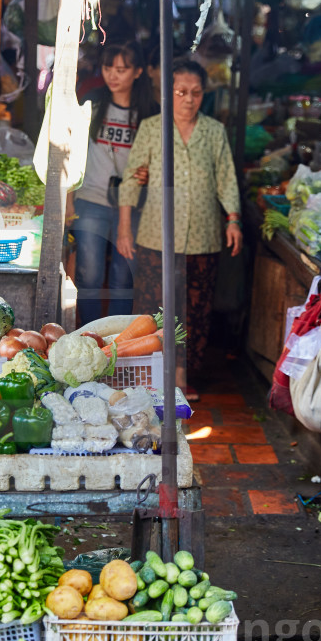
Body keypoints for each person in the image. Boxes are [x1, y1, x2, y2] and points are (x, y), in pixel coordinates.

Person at [117, 60, 242, 401]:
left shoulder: (214, 132)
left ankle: (182, 375)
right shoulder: (152, 128)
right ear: (167, 94)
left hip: (203, 237)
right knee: (152, 306)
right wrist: (125, 228)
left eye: (196, 93)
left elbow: (226, 178)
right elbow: (131, 178)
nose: (188, 99)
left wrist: (233, 219)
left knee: (196, 308)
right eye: (181, 92)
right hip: (156, 235)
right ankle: (148, 371)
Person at [72, 42, 158, 326]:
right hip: (91, 199)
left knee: (124, 275)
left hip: (133, 206)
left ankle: (117, 340)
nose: (113, 75)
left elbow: (162, 158)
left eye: (122, 70)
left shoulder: (150, 112)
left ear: (138, 72)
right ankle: (90, 334)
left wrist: (151, 172)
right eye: (108, 68)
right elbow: (71, 149)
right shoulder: (92, 102)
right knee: (90, 274)